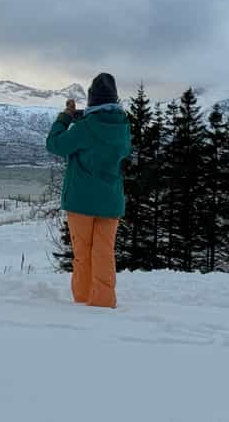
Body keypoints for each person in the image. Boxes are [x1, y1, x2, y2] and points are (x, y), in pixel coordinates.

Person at [46, 73, 131, 308]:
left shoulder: (83, 129)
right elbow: (105, 129)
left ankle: (82, 301)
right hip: (111, 201)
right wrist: (83, 117)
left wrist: (65, 117)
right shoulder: (123, 128)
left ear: (92, 99)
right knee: (104, 252)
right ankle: (104, 300)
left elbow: (54, 143)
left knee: (82, 254)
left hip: (81, 202)